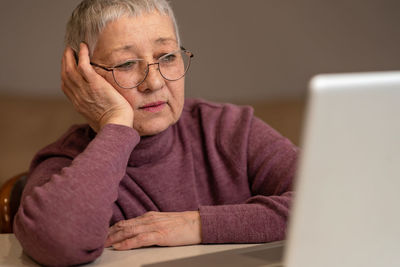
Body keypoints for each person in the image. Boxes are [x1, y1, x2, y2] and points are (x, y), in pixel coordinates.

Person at [13, 0, 298, 266]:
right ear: (83, 76)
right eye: (125, 64)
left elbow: (331, 201)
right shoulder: (66, 161)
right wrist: (116, 125)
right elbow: (59, 241)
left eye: (167, 56)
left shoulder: (229, 128)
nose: (154, 81)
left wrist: (197, 225)